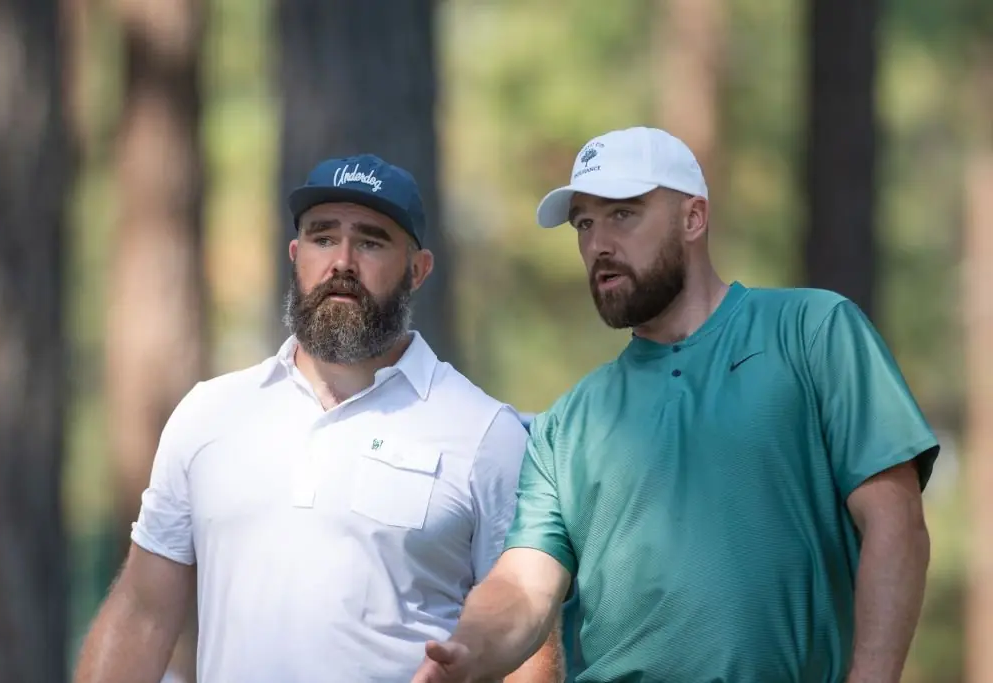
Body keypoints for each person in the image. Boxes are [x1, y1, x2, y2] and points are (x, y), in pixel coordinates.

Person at [413, 127, 939, 683]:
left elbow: (895, 522)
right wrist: (470, 651)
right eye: (584, 224)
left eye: (623, 214)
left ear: (693, 218)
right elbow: (523, 585)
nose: (598, 244)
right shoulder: (568, 422)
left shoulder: (813, 332)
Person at [74, 154, 561, 683]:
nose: (343, 262)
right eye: (323, 238)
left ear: (418, 270)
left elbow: (528, 643)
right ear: (295, 255)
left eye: (371, 241)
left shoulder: (485, 433)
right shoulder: (209, 414)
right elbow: (143, 612)